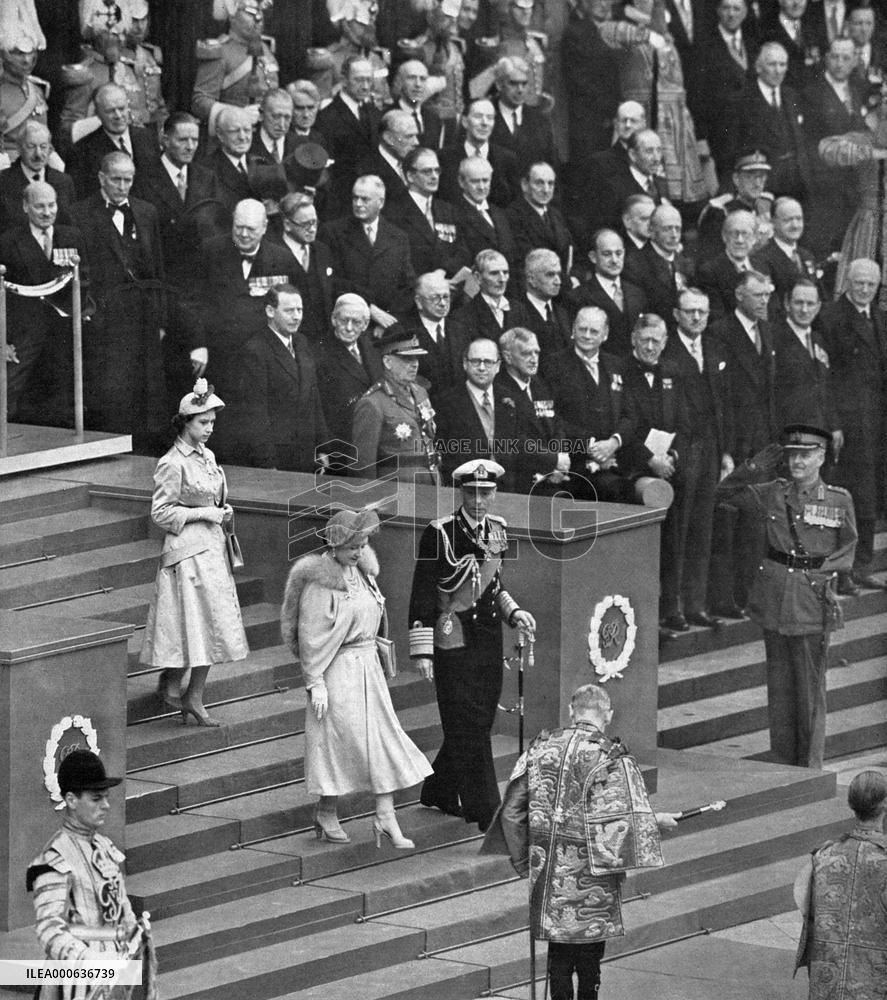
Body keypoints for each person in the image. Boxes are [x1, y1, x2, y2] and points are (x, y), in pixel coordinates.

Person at [482, 683, 678, 1000]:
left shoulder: (540, 748)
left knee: (558, 957)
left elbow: (511, 814)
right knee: (589, 962)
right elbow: (622, 820)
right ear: (608, 715)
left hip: (548, 874)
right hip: (594, 877)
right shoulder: (612, 756)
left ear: (572, 711)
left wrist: (525, 863)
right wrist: (655, 822)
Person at [281, 508, 432, 848]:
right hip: (338, 673)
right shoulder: (321, 581)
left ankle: (385, 814)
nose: (360, 551)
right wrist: (315, 682)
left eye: (363, 544)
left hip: (368, 670)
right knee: (339, 745)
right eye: (353, 545)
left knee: (380, 741)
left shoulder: (362, 572)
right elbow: (311, 635)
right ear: (334, 545)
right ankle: (327, 810)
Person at [715, 424, 856, 768]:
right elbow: (723, 493)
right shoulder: (772, 492)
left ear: (821, 457)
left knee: (809, 691)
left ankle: (808, 768)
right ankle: (781, 764)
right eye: (792, 456)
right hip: (774, 599)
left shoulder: (837, 499)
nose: (798, 463)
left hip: (810, 601)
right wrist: (754, 467)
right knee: (779, 691)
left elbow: (849, 545)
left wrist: (821, 576)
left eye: (805, 455)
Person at [409, 458, 536, 831]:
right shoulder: (440, 532)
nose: (479, 500)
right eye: (472, 493)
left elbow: (494, 587)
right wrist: (423, 649)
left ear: (495, 493)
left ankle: (440, 789)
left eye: (486, 493)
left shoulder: (498, 529)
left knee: (477, 720)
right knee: (468, 724)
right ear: (461, 492)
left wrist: (515, 614)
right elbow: (422, 593)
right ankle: (490, 813)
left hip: (487, 640)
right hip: (452, 639)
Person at [140, 379, 249, 726]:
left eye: (212, 423)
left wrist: (223, 510)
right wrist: (203, 513)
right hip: (186, 553)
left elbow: (213, 494)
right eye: (203, 422)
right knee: (196, 622)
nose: (209, 429)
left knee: (214, 622)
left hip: (212, 549)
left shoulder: (209, 456)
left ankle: (192, 693)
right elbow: (160, 512)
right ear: (185, 423)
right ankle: (179, 686)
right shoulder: (172, 462)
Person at [27, 749, 156, 1000]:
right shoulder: (55, 859)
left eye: (106, 798)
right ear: (72, 800)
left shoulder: (105, 848)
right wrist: (93, 963)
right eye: (96, 799)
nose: (106, 805)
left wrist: (135, 942)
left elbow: (123, 911)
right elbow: (50, 930)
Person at [794, 770, 887, 998]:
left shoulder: (823, 856)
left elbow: (805, 909)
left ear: (850, 804)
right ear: (884, 805)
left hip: (827, 983)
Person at [237, 284, 331, 472]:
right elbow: (256, 412)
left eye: (300, 310)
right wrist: (268, 463)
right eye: (289, 311)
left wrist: (322, 448)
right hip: (279, 458)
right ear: (270, 311)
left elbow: (314, 399)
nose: (296, 316)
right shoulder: (256, 350)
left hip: (307, 453)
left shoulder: (301, 343)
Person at [351, 325, 440, 484]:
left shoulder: (420, 393)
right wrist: (371, 504)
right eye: (407, 359)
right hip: (398, 491)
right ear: (387, 362)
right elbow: (364, 465)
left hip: (431, 483)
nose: (415, 364)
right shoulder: (372, 403)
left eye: (416, 358)